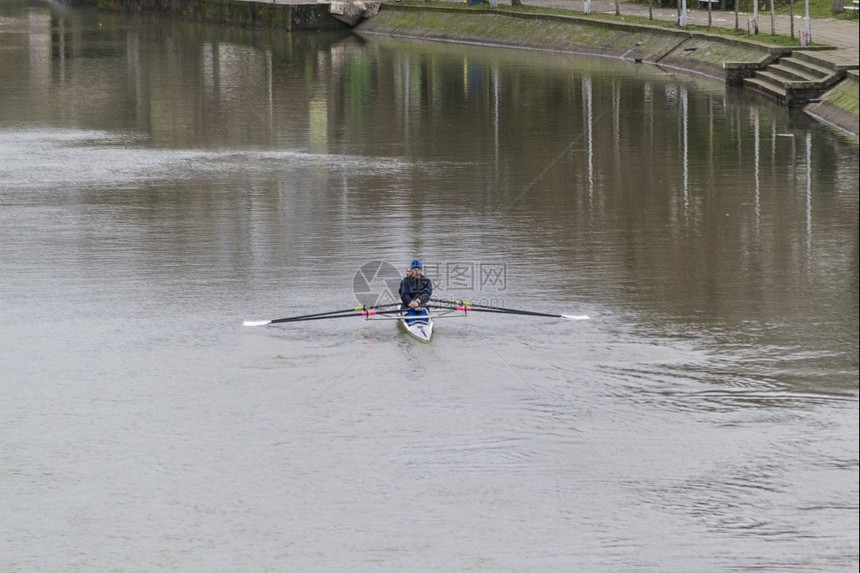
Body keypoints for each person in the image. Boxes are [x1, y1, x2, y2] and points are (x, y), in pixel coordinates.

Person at [399, 259, 433, 324]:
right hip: (408, 306)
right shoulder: (405, 281)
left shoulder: (427, 281)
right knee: (411, 320)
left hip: (421, 306)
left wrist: (418, 302)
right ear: (411, 270)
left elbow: (427, 293)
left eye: (418, 270)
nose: (417, 272)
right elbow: (404, 294)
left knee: (423, 319)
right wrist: (410, 302)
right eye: (415, 270)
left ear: (421, 270)